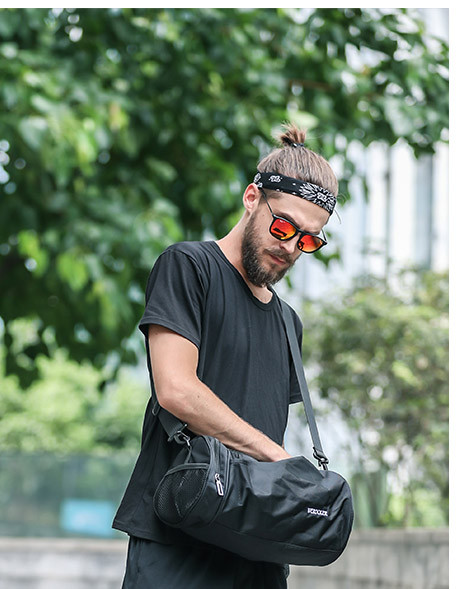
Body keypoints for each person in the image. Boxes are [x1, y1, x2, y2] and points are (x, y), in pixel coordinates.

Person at [112, 124, 339, 588]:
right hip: (179, 540)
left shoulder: (287, 322)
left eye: (309, 240)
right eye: (284, 227)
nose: (291, 247)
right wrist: (276, 456)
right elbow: (176, 389)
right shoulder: (188, 268)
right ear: (252, 197)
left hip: (258, 552)